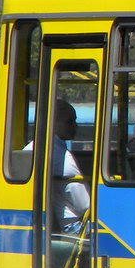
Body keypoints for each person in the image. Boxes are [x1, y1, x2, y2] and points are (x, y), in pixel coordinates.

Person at [25, 98, 89, 233]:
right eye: (69, 122)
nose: (75, 127)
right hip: (71, 226)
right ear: (52, 122)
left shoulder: (30, 149)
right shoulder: (64, 158)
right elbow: (85, 205)